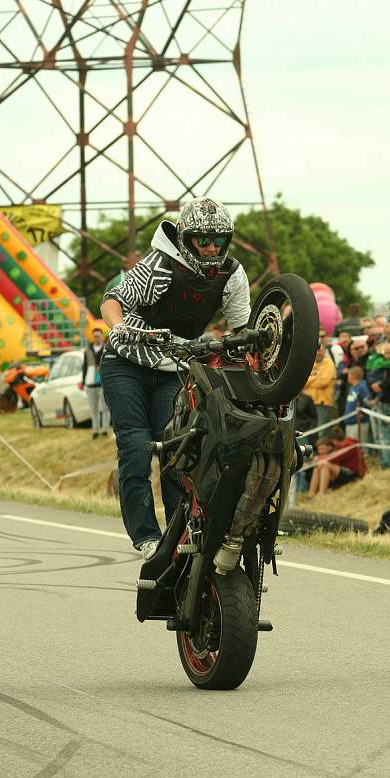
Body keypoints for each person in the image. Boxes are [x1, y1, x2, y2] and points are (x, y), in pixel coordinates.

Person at [99, 196, 251, 560]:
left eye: (219, 240)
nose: (212, 248)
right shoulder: (160, 266)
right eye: (203, 240)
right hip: (126, 363)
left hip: (173, 367)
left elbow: (244, 328)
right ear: (185, 238)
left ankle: (177, 535)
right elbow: (111, 300)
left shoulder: (231, 275)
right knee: (136, 447)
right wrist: (118, 328)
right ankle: (146, 536)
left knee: (175, 451)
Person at [306, 425, 367, 497]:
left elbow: (333, 458)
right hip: (347, 471)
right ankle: (311, 493)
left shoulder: (347, 445)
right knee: (322, 466)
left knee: (324, 463)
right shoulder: (348, 442)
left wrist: (318, 459)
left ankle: (321, 494)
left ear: (334, 440)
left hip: (354, 475)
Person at [367, 341, 390, 469]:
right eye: (386, 352)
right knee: (377, 437)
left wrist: (379, 387)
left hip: (387, 403)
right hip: (375, 404)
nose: (388, 355)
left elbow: (389, 386)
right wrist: (373, 386)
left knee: (386, 436)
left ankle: (387, 464)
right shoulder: (379, 365)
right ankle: (382, 463)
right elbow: (369, 379)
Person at [80, 327, 110, 438]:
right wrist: (83, 381)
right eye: (95, 336)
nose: (97, 337)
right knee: (94, 408)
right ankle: (95, 430)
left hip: (103, 383)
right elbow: (84, 366)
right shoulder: (88, 350)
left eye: (98, 335)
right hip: (90, 383)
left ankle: (105, 429)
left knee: (105, 408)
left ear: (101, 336)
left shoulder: (106, 348)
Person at [302, 345, 337, 428]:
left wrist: (309, 380)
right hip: (308, 402)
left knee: (321, 429)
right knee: (309, 428)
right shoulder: (310, 363)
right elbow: (302, 380)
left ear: (324, 352)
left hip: (323, 403)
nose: (317, 353)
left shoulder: (329, 363)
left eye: (320, 351)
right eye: (316, 351)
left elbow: (323, 382)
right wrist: (316, 377)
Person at [343, 365, 369, 442]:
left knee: (359, 446)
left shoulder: (362, 387)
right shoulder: (352, 387)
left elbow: (367, 402)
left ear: (351, 375)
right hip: (350, 421)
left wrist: (362, 414)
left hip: (358, 423)